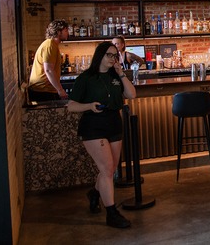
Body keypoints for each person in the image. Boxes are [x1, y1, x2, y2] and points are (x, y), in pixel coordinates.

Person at [66, 41, 136, 228]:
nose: (113, 59)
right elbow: (71, 106)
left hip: (114, 122)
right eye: (109, 55)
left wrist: (121, 73)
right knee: (106, 170)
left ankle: (95, 193)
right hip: (93, 125)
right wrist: (89, 106)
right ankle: (111, 213)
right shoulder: (86, 78)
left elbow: (132, 94)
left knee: (110, 169)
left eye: (115, 55)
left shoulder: (115, 76)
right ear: (100, 56)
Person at [28, 19, 70, 101]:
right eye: (65, 30)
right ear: (58, 32)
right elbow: (49, 70)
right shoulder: (49, 45)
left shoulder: (52, 45)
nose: (68, 33)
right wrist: (60, 90)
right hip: (42, 90)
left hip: (44, 90)